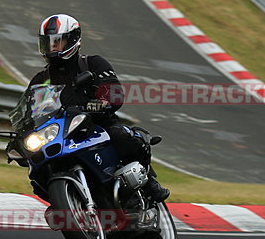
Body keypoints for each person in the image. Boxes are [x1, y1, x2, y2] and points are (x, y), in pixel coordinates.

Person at [27, 13, 170, 203]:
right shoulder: (41, 79)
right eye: (48, 43)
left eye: (57, 42)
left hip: (97, 124)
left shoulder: (93, 63)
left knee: (120, 135)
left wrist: (98, 104)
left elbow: (113, 92)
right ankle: (68, 202)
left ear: (73, 39)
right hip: (63, 132)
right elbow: (30, 108)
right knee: (37, 171)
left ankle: (149, 182)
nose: (52, 48)